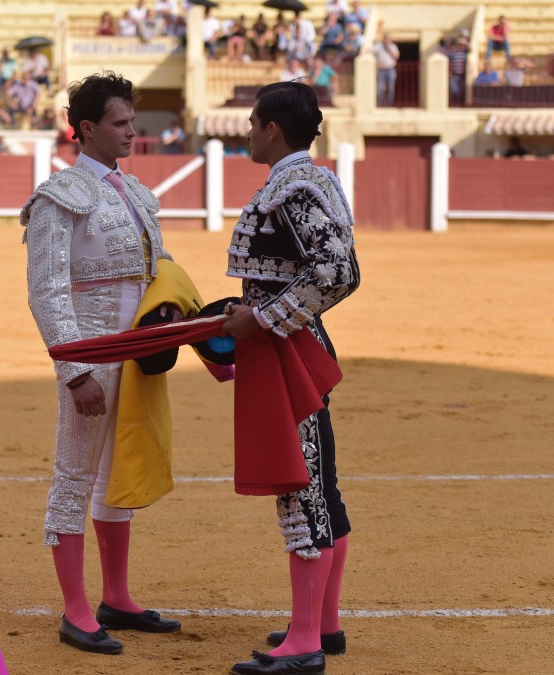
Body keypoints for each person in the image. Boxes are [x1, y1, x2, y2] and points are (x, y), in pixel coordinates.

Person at [21, 71, 181, 655]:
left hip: (136, 357)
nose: (131, 132)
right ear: (87, 129)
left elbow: (159, 269)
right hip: (90, 355)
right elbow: (47, 291)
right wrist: (75, 371)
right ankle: (76, 610)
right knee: (74, 475)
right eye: (120, 123)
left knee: (117, 470)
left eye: (132, 122)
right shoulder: (57, 198)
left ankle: (116, 596)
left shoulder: (135, 194)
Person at [222, 81, 358, 675]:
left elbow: (340, 271)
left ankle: (303, 642)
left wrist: (262, 318)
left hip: (287, 351)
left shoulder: (293, 190)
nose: (248, 133)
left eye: (253, 123)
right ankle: (323, 624)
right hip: (298, 344)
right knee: (321, 483)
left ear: (273, 129)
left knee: (302, 490)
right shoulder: (315, 180)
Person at [373, 31, 399, 106]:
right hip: (381, 70)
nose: (387, 40)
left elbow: (396, 57)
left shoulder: (393, 46)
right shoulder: (379, 46)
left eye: (388, 39)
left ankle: (389, 104)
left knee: (391, 88)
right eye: (386, 39)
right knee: (380, 88)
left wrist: (389, 48)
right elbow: (371, 51)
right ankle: (379, 104)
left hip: (391, 69)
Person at [446, 36, 469, 106]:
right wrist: (449, 71)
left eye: (461, 45)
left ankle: (460, 103)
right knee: (454, 89)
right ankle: (454, 103)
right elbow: (450, 63)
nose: (460, 46)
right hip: (454, 74)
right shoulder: (453, 53)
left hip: (462, 74)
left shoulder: (465, 54)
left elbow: (471, 49)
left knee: (461, 90)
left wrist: (465, 43)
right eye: (459, 45)